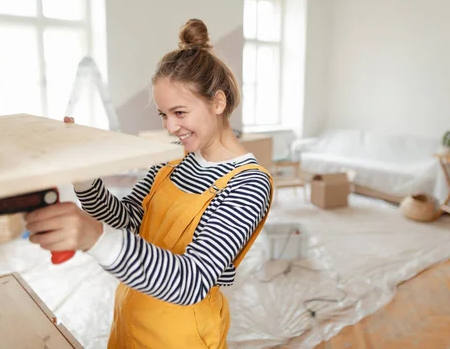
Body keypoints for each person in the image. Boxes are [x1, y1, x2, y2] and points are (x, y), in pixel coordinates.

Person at [24, 19, 274, 349]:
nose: (171, 127)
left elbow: (191, 280)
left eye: (180, 113)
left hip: (181, 335)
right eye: (163, 115)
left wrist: (95, 238)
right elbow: (127, 219)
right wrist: (84, 173)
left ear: (218, 102)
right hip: (133, 311)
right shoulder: (174, 159)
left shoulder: (248, 184)